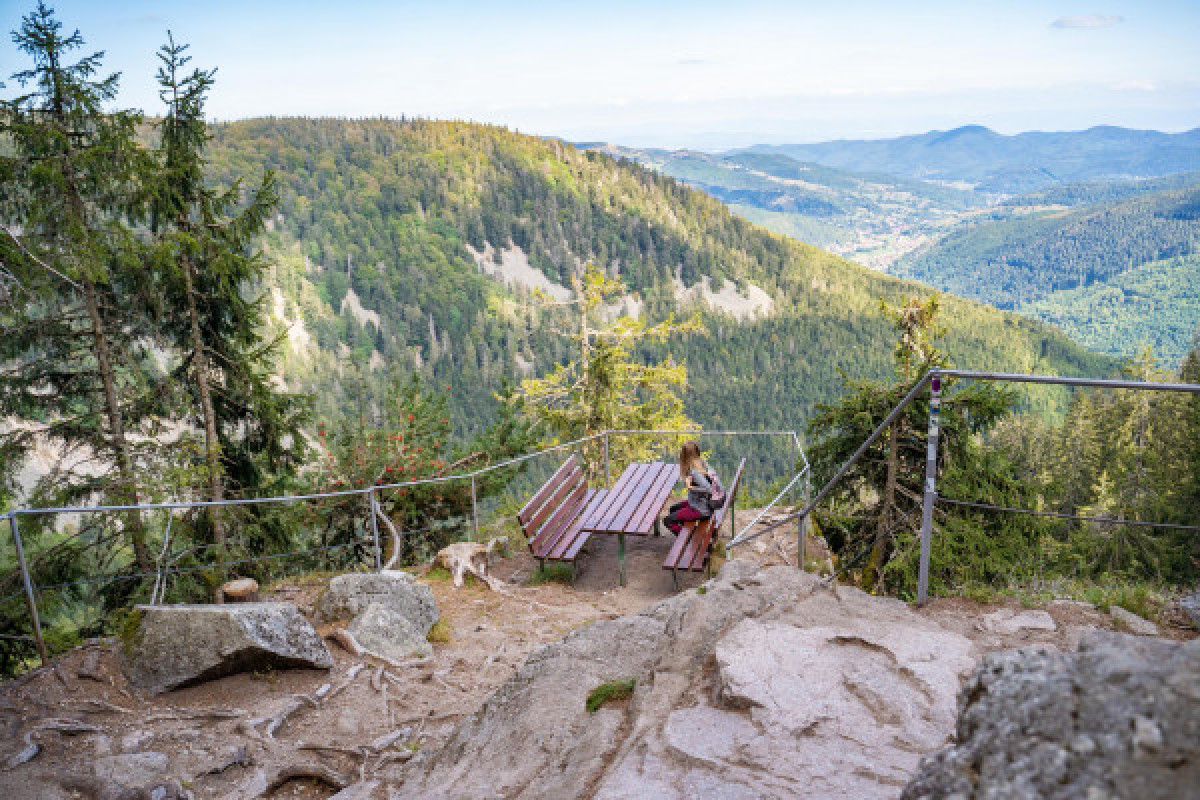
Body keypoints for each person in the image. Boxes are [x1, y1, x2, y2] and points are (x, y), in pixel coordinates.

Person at [659, 441, 714, 536]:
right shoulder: (701, 463)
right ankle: (686, 531)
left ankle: (690, 538)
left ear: (684, 456)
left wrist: (690, 487)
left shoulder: (694, 471)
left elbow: (708, 489)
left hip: (700, 509)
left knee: (667, 521)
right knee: (673, 509)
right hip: (702, 504)